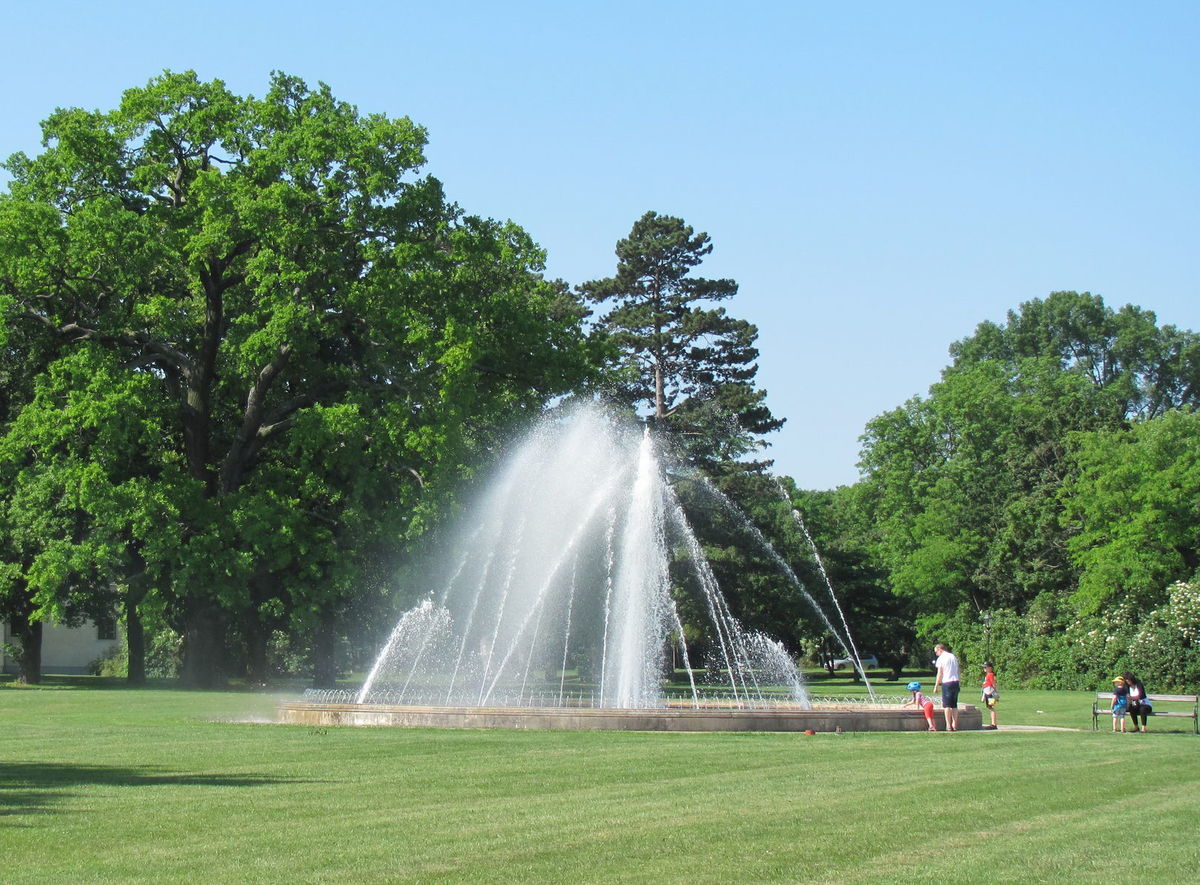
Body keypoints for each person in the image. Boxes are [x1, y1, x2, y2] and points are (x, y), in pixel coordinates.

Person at [932, 643, 961, 731]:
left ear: (940, 649)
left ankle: (948, 725)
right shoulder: (953, 656)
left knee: (947, 705)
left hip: (947, 682)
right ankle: (955, 725)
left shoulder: (941, 658)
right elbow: (958, 670)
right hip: (955, 682)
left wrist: (936, 686)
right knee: (954, 705)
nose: (936, 654)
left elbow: (940, 673)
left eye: (936, 652)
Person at [981, 662, 999, 729]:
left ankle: (994, 724)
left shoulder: (990, 674)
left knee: (991, 707)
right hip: (987, 692)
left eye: (986, 667)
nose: (984, 668)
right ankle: (993, 723)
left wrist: (996, 694)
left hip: (990, 693)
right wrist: (983, 695)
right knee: (989, 707)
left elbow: (993, 684)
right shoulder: (987, 675)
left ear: (990, 668)